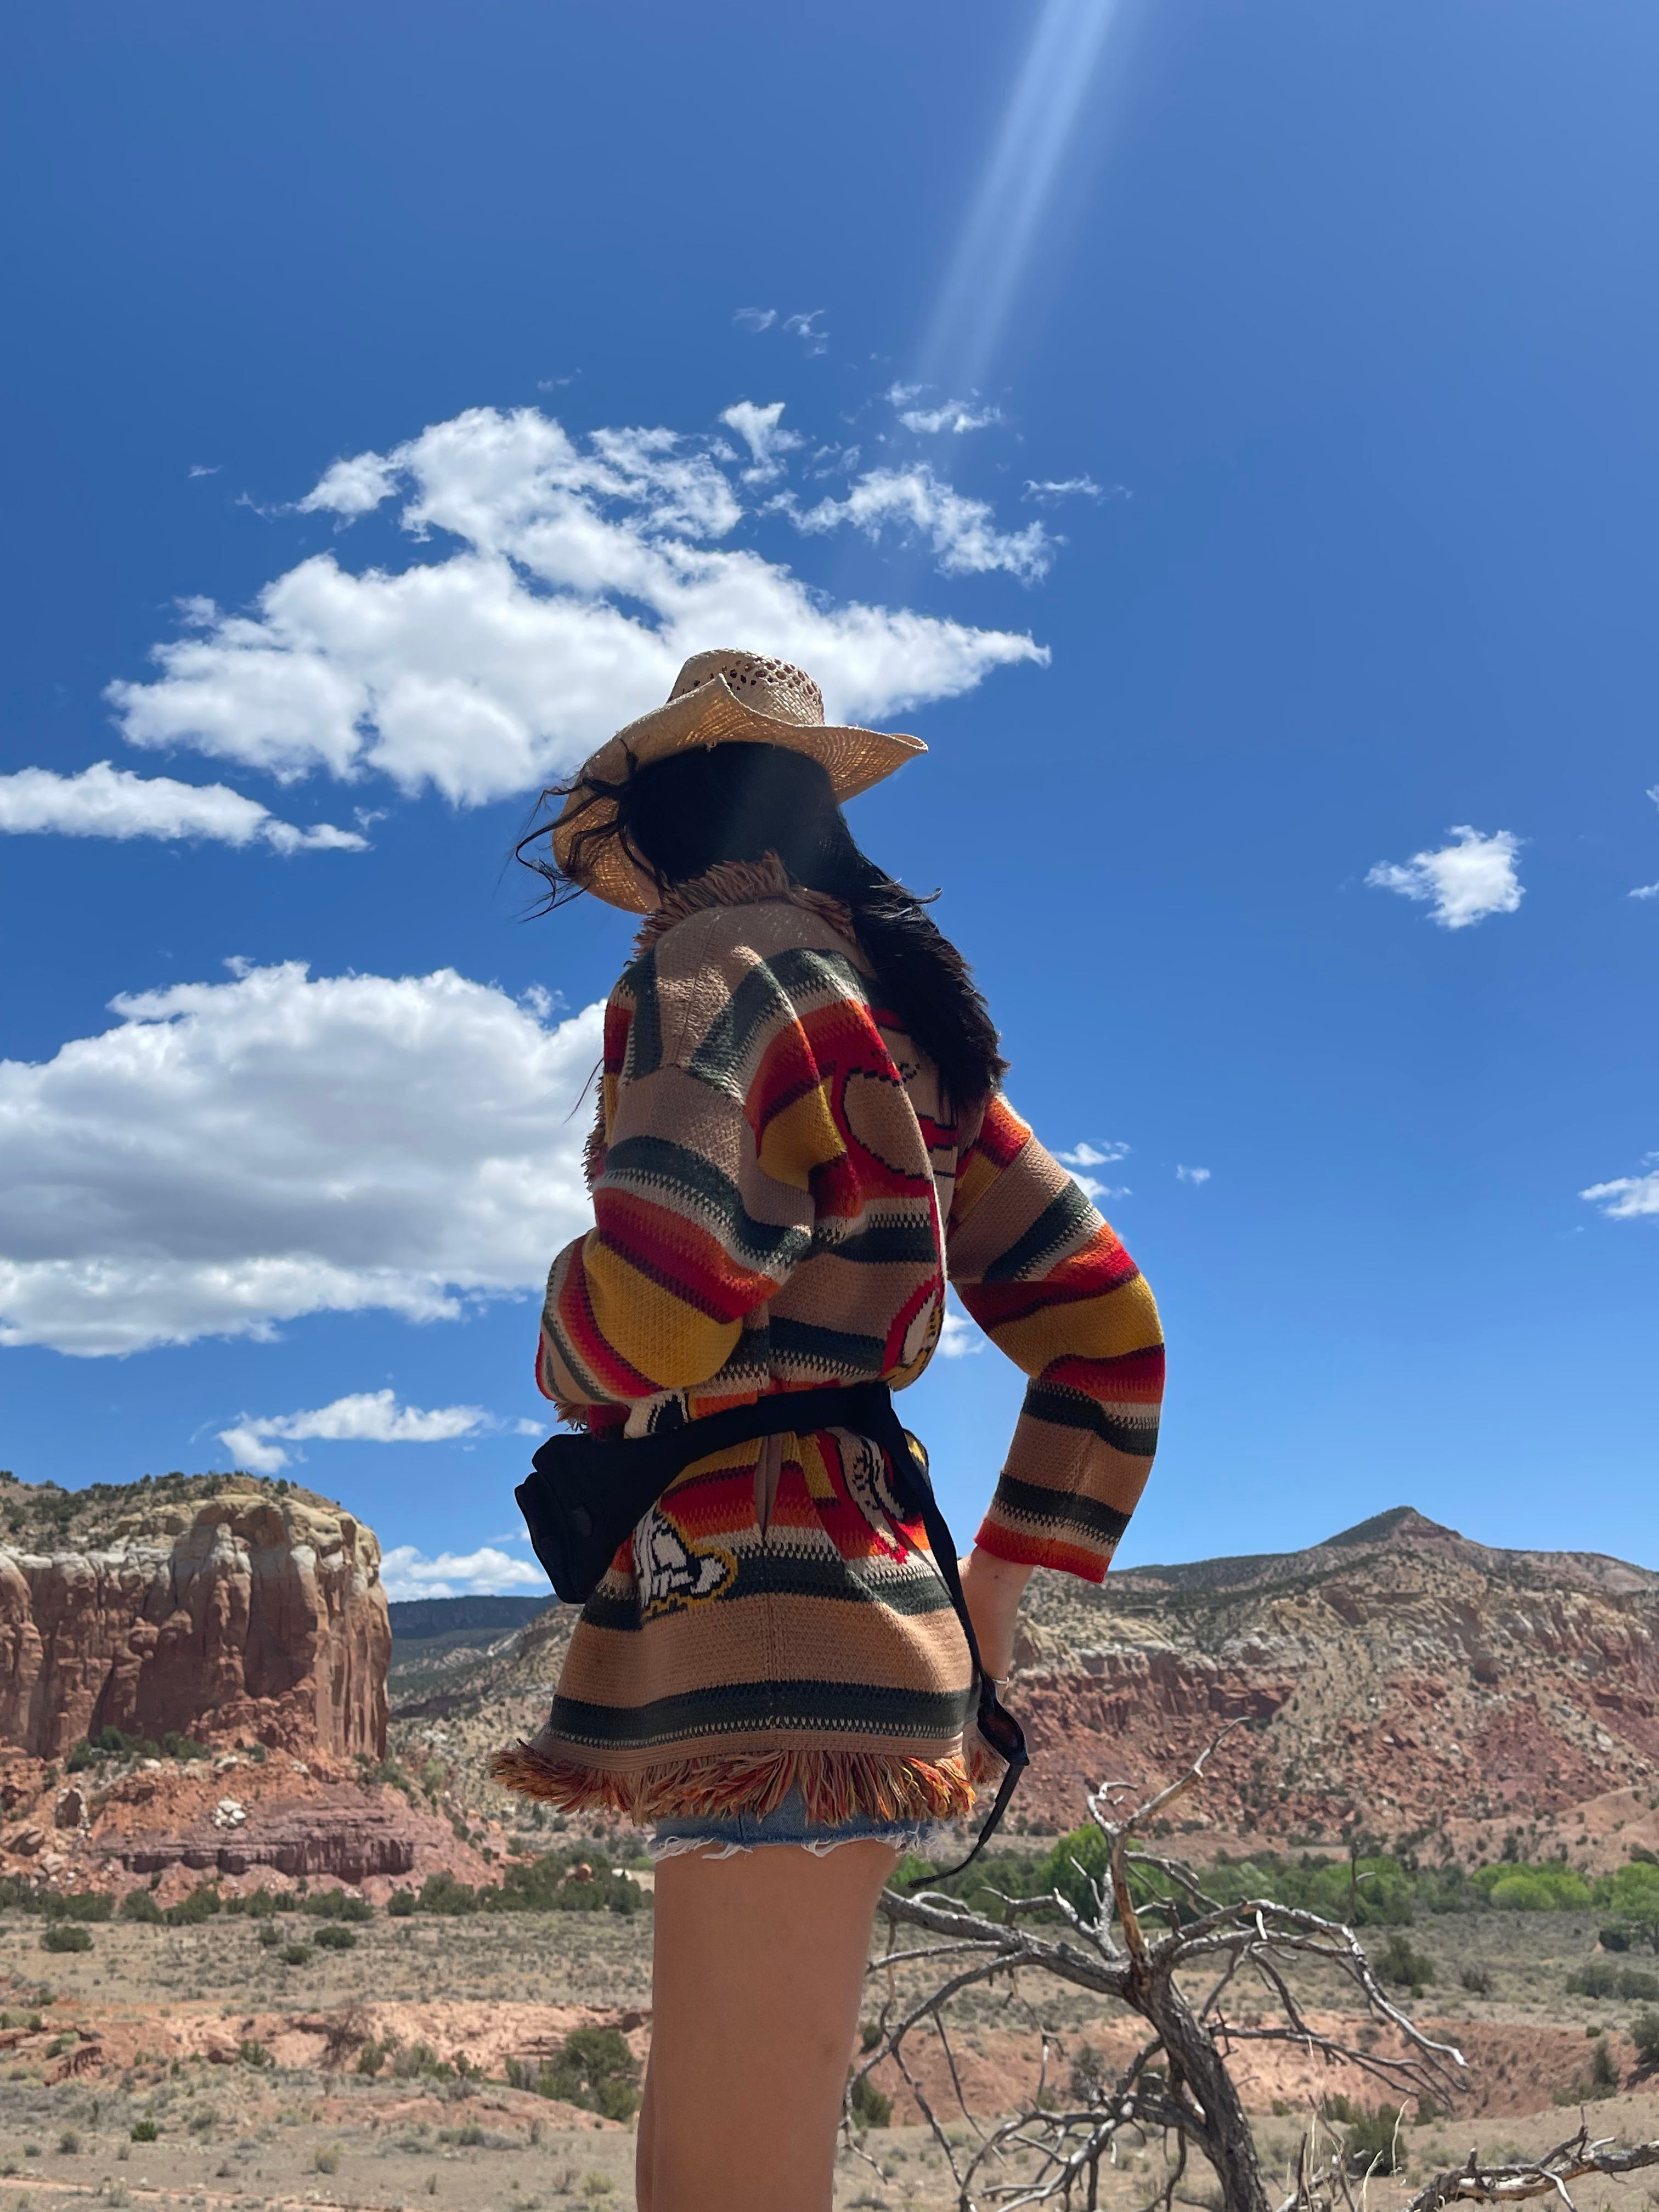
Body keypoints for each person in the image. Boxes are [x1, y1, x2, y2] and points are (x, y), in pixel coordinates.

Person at [494, 650, 1165, 2210]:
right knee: (720, 2148)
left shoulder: (718, 960)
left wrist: (560, 1333)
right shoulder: (912, 1034)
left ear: (656, 823)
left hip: (759, 1618)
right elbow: (1107, 1329)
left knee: (722, 2174)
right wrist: (993, 1597)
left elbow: (665, 1301)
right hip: (863, 1593)